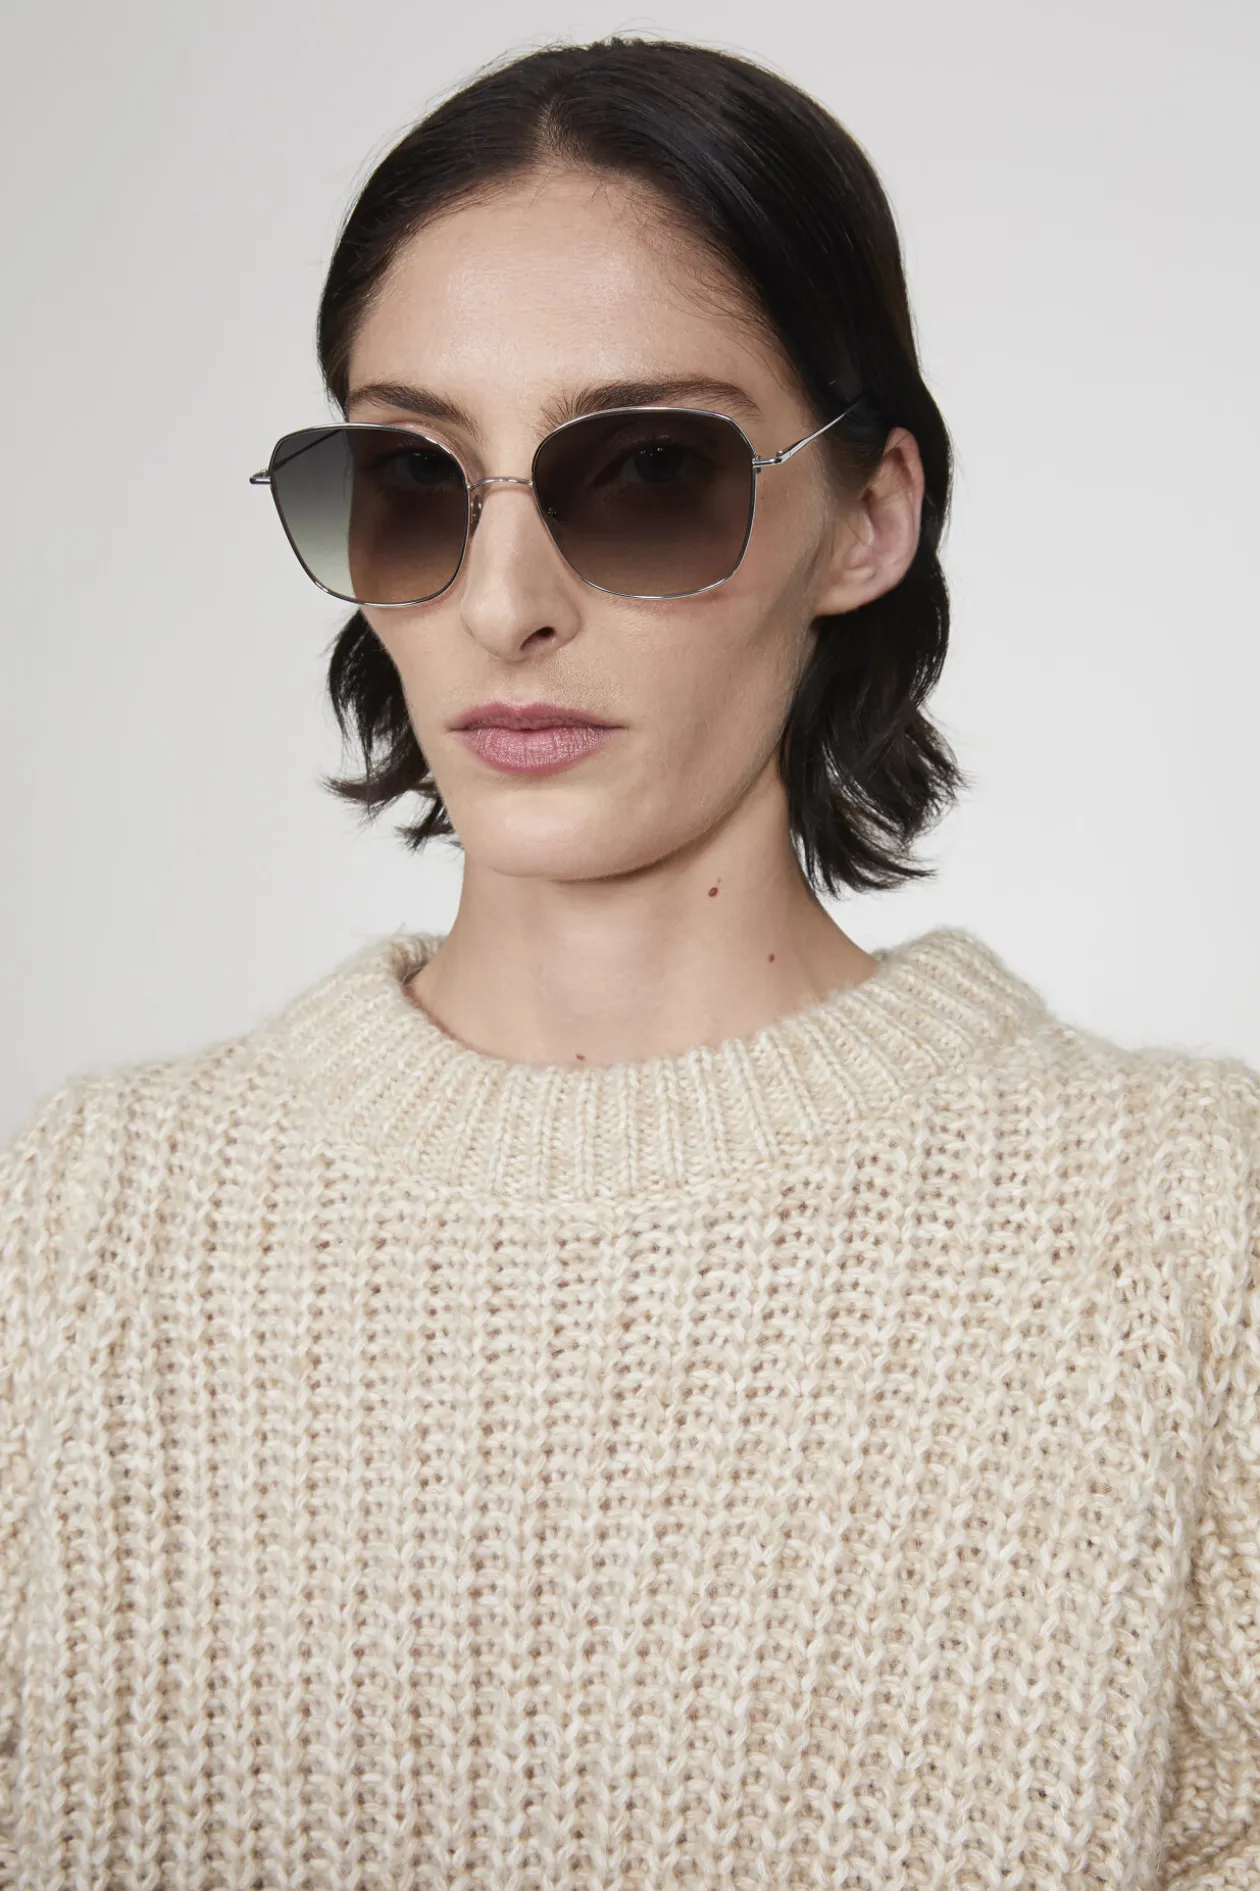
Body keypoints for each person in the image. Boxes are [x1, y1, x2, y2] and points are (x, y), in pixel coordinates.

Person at [2, 35, 1257, 1890]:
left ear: (870, 515)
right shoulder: (79, 1233)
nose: (507, 602)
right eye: (411, 475)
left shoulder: (1191, 1238)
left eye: (651, 471)